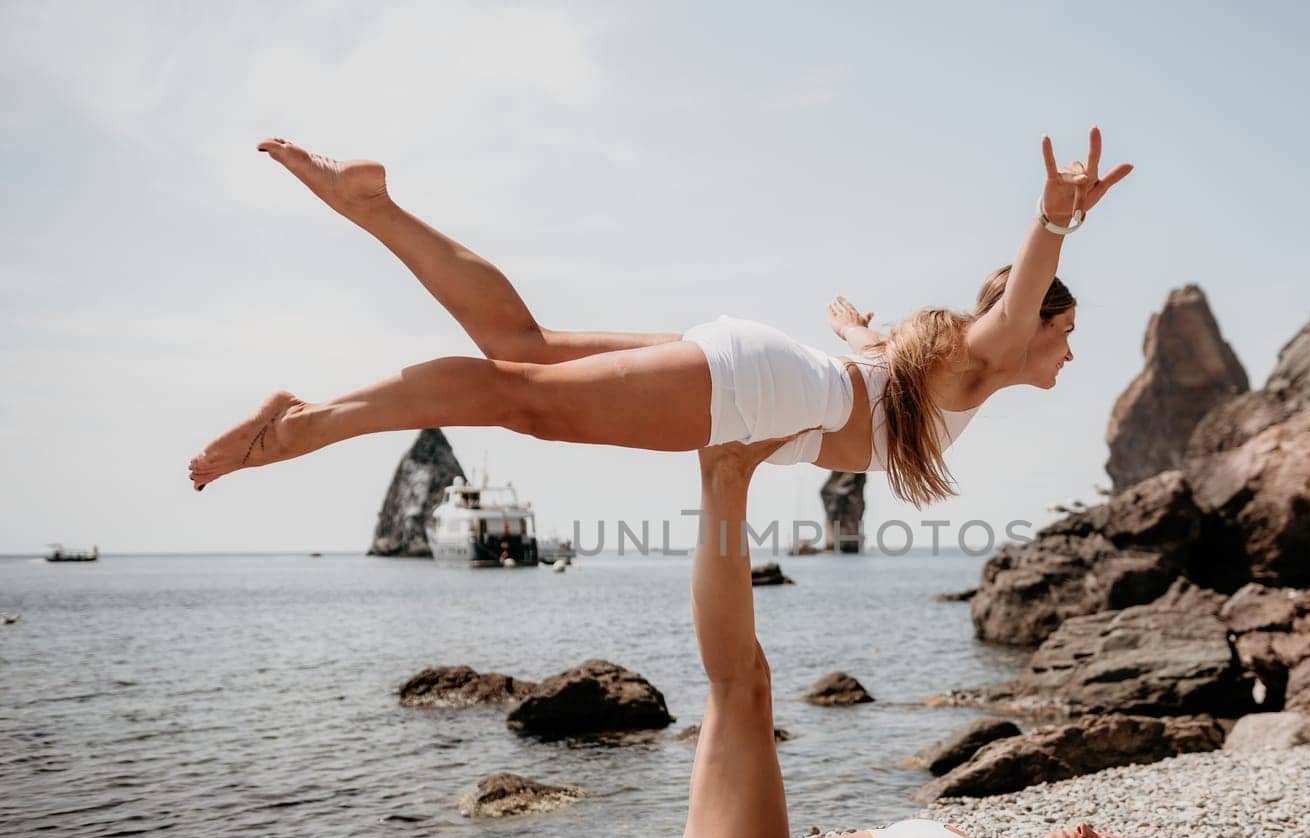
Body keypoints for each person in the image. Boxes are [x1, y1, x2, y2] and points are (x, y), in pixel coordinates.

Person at [188, 129, 1131, 505]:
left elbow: (868, 364)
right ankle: (303, 425)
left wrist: (851, 330)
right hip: (762, 390)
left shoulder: (939, 357)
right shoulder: (993, 347)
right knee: (520, 398)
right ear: (1030, 322)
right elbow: (1026, 288)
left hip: (773, 370)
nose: (1068, 351)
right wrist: (1055, 219)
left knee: (524, 351)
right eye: (1067, 331)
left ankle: (372, 207)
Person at [627, 437, 1201, 838]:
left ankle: (724, 468)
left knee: (741, 684)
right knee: (742, 674)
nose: (1085, 827)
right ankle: (720, 467)